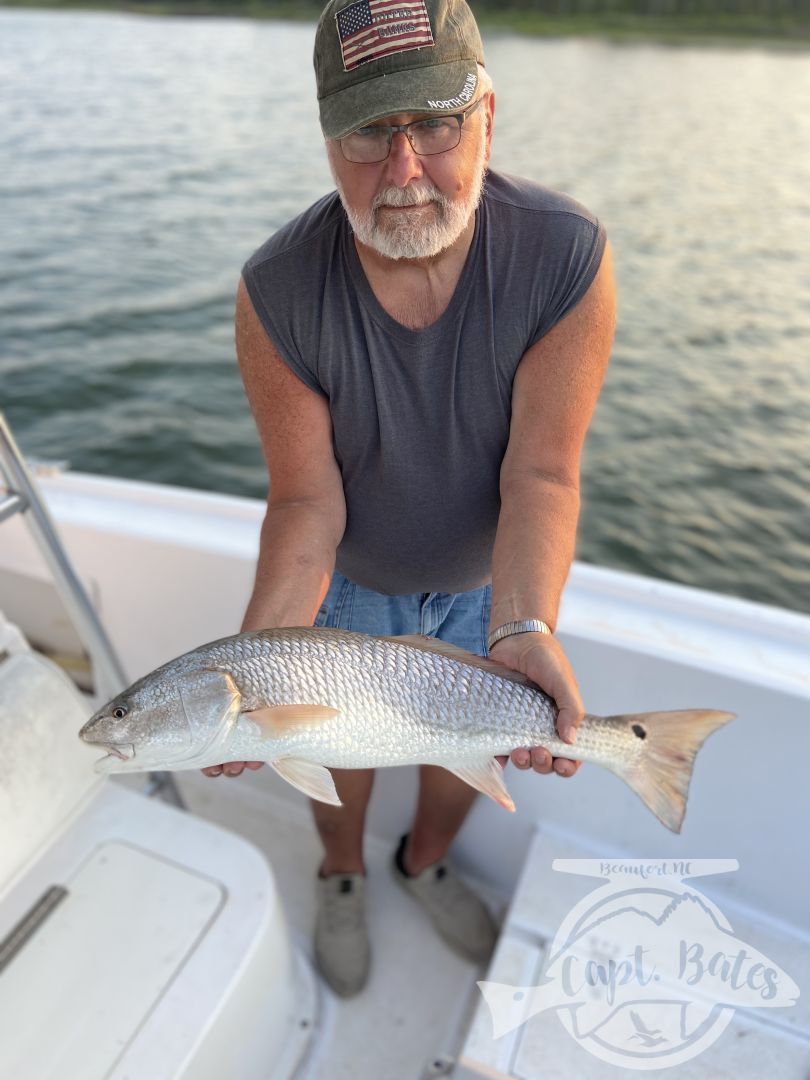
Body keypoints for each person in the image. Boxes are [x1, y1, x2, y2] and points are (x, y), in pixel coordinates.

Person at [202, 0, 615, 998]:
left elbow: (542, 474)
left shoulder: (566, 258)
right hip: (349, 584)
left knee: (470, 754)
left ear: (486, 118)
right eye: (366, 133)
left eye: (433, 122)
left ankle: (421, 861)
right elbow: (304, 503)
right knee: (329, 757)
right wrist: (258, 663)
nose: (402, 170)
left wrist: (524, 622)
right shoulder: (277, 291)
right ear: (326, 137)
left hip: (489, 582)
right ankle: (342, 872)